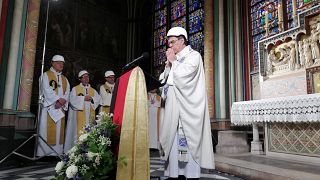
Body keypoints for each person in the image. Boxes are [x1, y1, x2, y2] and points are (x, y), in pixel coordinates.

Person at [159, 27, 215, 179]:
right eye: (169, 43)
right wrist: (169, 66)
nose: (170, 46)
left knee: (187, 140)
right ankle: (173, 174)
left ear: (182, 40)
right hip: (172, 108)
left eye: (172, 42)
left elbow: (186, 77)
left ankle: (190, 175)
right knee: (173, 140)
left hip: (187, 110)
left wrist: (173, 62)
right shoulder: (174, 59)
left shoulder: (194, 56)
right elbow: (164, 81)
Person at [37, 55, 70, 156]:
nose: (61, 65)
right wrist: (57, 100)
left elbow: (67, 91)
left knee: (59, 131)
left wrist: (63, 101)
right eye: (59, 63)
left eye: (62, 63)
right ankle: (45, 153)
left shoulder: (65, 79)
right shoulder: (46, 75)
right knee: (46, 130)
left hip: (59, 108)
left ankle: (57, 153)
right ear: (53, 63)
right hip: (49, 108)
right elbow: (46, 89)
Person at [64, 70, 101, 153]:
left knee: (89, 132)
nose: (86, 78)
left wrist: (92, 99)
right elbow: (71, 100)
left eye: (87, 76)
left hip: (89, 117)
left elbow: (98, 99)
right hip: (78, 118)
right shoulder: (75, 89)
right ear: (80, 79)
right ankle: (75, 152)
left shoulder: (93, 90)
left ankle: (88, 151)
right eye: (84, 77)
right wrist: (83, 98)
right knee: (78, 134)